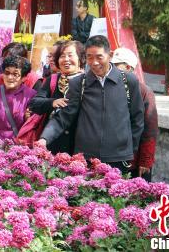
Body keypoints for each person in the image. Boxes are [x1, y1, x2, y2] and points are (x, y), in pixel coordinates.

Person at [38, 36, 145, 174]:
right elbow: (64, 117)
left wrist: (130, 148)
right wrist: (44, 138)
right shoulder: (79, 83)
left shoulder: (128, 81)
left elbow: (137, 118)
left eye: (99, 57)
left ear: (110, 55)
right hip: (86, 158)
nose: (94, 63)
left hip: (119, 158)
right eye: (89, 57)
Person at [28, 40, 85, 155]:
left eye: (70, 55)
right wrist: (52, 102)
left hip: (78, 143)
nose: (66, 59)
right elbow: (34, 103)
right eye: (62, 56)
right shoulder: (53, 79)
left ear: (80, 58)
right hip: (51, 140)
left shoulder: (87, 81)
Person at [111, 47, 157, 181]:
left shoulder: (144, 91)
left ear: (128, 67)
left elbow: (150, 128)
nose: (112, 69)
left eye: (116, 66)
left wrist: (145, 160)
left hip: (133, 159)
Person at [0, 56, 37, 140]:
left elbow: (33, 125)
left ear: (24, 77)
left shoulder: (31, 95)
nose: (10, 77)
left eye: (15, 74)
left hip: (19, 146)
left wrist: (28, 119)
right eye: (7, 73)